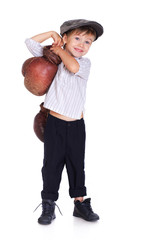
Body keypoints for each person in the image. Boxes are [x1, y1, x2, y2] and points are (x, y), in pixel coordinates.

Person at [25, 19, 103, 224]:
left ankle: (80, 203)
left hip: (77, 125)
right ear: (65, 39)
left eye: (88, 42)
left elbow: (73, 66)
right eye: (77, 38)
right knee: (52, 165)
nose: (81, 44)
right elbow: (30, 42)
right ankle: (48, 203)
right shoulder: (54, 59)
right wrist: (52, 33)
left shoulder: (83, 63)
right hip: (55, 124)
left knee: (76, 164)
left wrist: (60, 51)